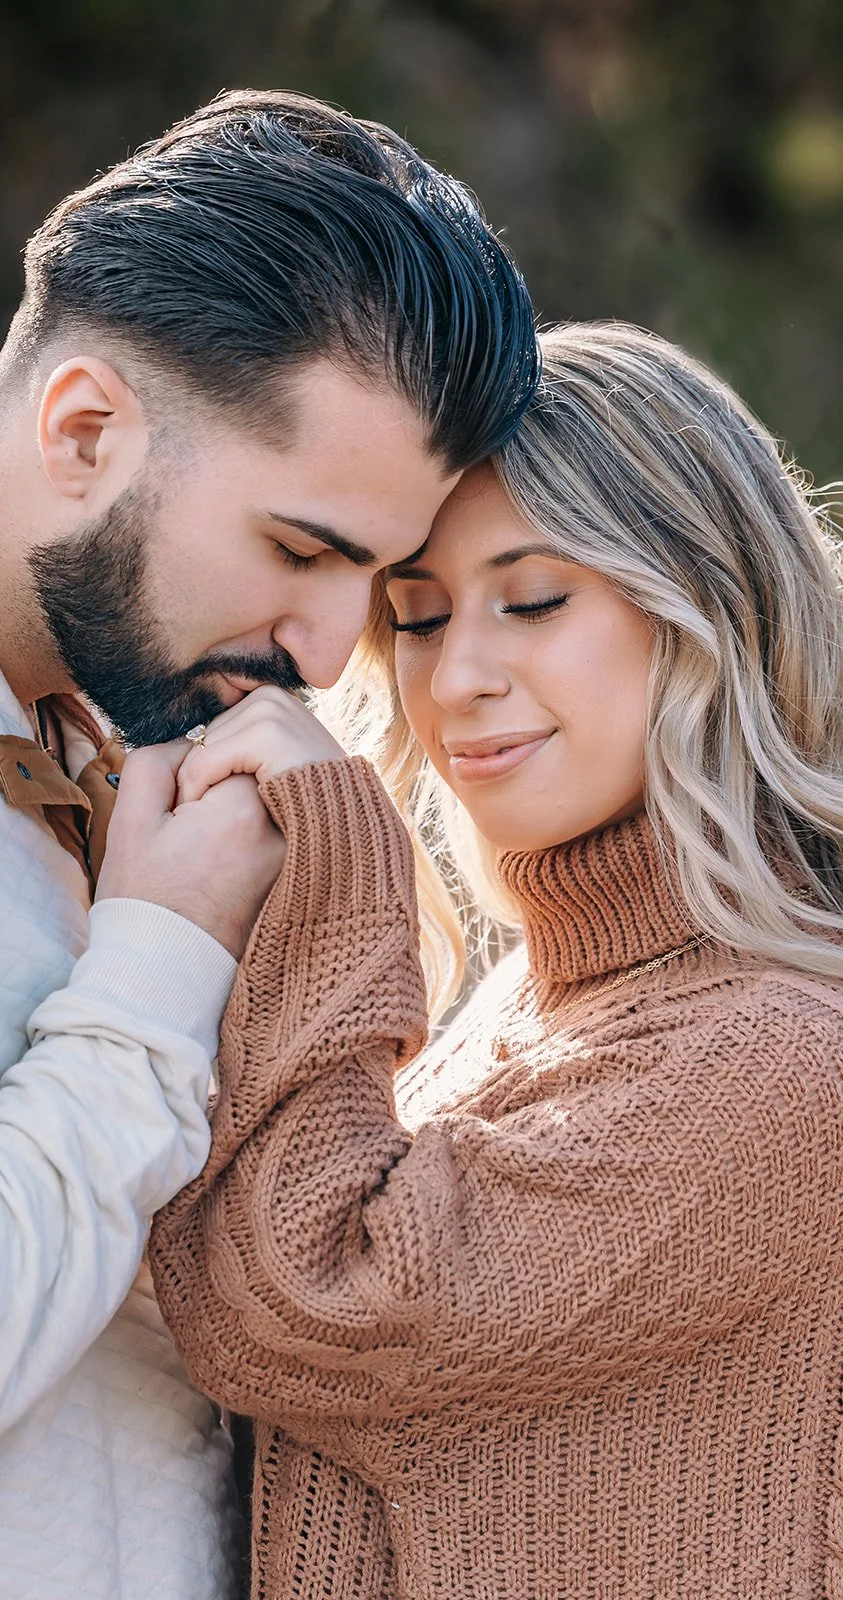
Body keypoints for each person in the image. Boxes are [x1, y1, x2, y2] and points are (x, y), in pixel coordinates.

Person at [0, 89, 538, 1599]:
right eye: (300, 551)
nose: (326, 653)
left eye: (375, 582)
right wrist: (156, 965)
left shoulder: (130, 756)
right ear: (83, 428)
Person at [149, 321, 843, 1599]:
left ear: (711, 613)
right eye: (413, 618)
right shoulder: (538, 1005)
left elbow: (305, 1301)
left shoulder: (778, 1067)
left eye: (532, 601)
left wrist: (333, 879)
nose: (456, 676)